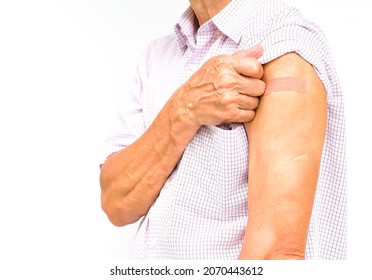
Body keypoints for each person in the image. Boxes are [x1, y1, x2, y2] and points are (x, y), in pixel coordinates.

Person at [99, 0, 347, 260]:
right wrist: (182, 109)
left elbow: (275, 256)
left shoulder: (284, 46)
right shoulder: (157, 57)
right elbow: (116, 202)